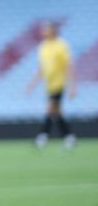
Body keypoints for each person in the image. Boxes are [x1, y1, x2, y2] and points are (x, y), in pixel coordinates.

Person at [26, 20, 77, 150]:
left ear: (53, 31)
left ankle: (42, 137)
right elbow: (42, 68)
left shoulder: (61, 45)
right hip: (48, 85)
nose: (44, 31)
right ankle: (69, 137)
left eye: (46, 29)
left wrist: (72, 86)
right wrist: (32, 84)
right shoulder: (43, 46)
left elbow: (68, 66)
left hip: (59, 83)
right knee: (57, 113)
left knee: (50, 110)